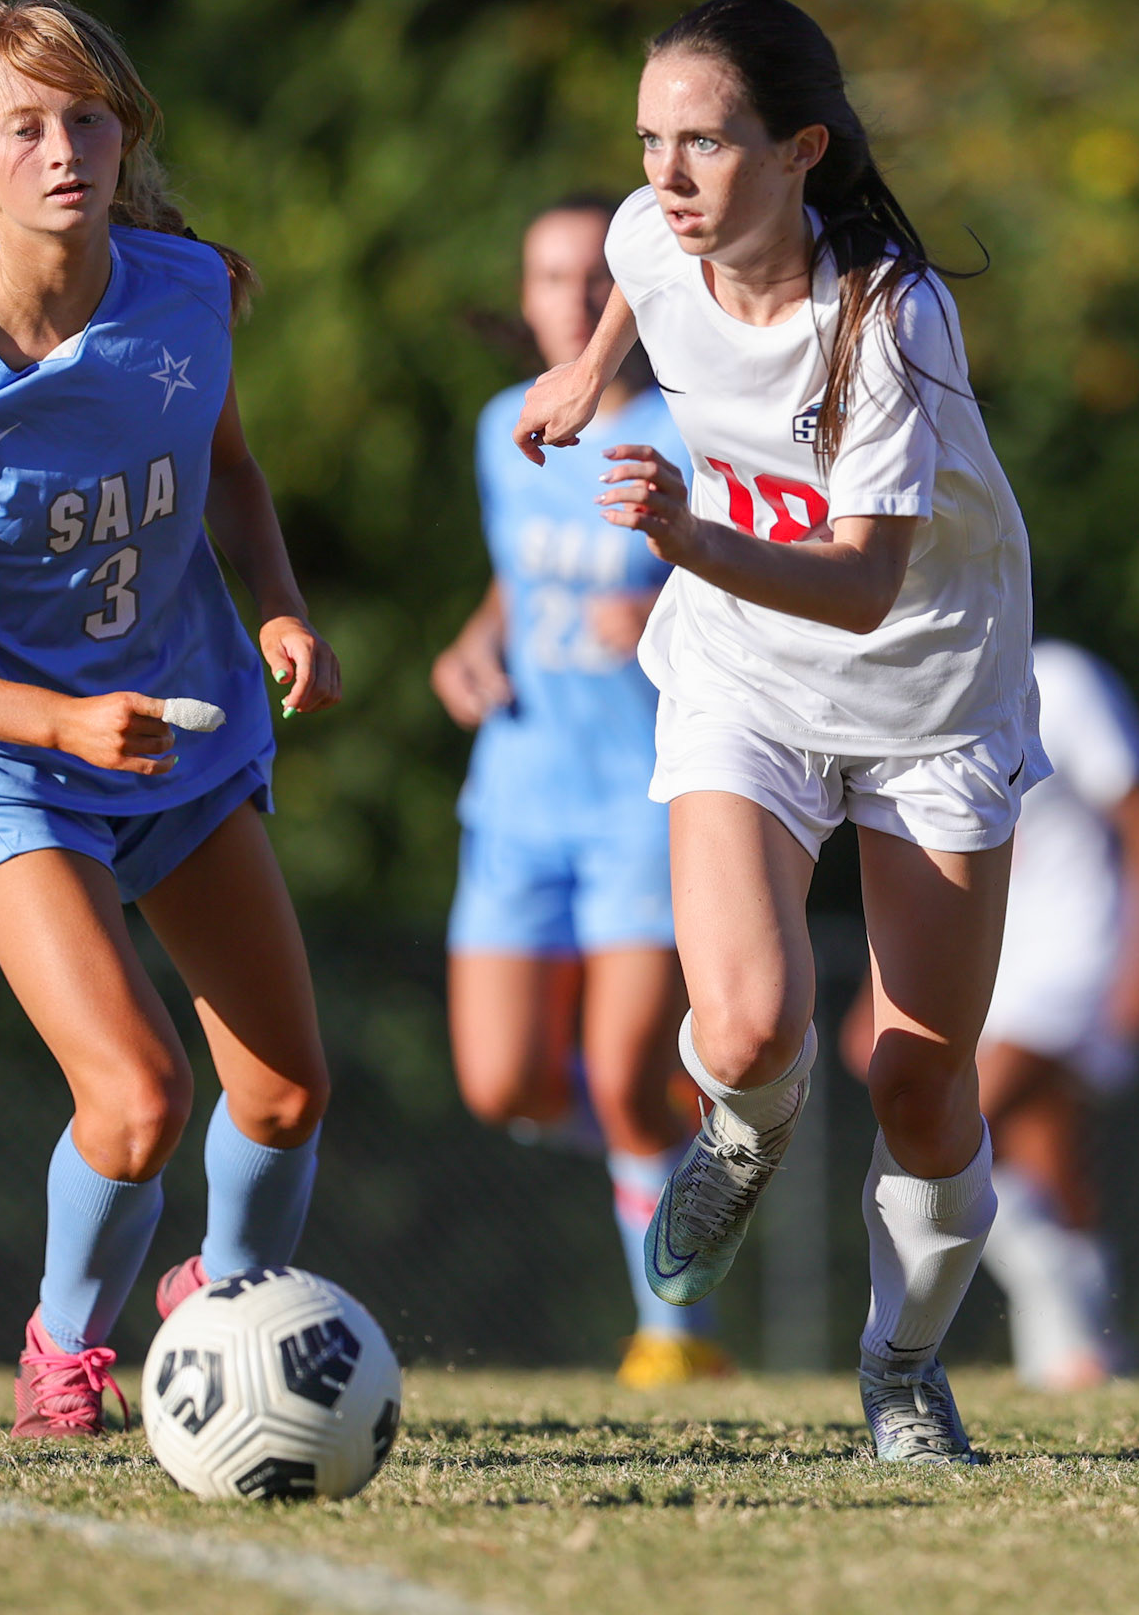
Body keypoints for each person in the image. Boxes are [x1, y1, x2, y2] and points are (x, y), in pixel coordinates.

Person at [513, 0, 1048, 1463]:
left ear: (802, 148)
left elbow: (868, 587)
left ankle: (901, 1365)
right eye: (650, 141)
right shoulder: (646, 230)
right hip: (746, 678)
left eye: (707, 144)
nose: (668, 177)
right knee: (746, 1029)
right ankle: (739, 1136)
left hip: (932, 697)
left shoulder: (887, 317)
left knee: (922, 1077)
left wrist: (685, 535)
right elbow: (632, 269)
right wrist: (585, 367)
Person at [0, 0, 338, 1437]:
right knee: (138, 1098)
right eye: (27, 126)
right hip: (4, 764)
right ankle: (63, 1359)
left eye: (86, 116)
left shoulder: (184, 288)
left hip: (178, 728)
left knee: (280, 1101)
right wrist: (57, 724)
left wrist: (277, 605)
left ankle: (233, 1328)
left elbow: (234, 474)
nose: (65, 147)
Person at [433, 196, 730, 1385]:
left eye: (596, 279)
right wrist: (474, 640)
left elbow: (763, 579)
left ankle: (677, 1337)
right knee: (500, 1081)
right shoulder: (505, 424)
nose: (574, 298)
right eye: (551, 276)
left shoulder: (687, 434)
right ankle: (680, 1152)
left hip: (638, 806)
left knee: (620, 1077)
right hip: (514, 797)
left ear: (634, 300)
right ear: (527, 294)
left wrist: (668, 603)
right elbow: (518, 576)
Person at [976, 639, 1139, 1386]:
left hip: (1075, 950)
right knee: (1044, 1152)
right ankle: (1079, 1352)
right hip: (993, 961)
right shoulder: (929, 670)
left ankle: (1062, 1325)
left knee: (956, 1124)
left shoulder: (1059, 677)